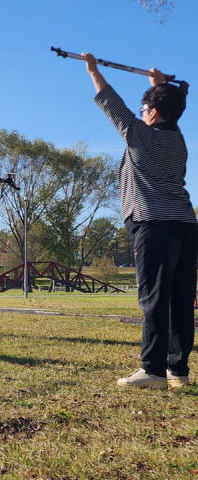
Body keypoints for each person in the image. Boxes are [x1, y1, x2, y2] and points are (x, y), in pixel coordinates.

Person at [82, 53, 198, 389]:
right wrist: (161, 87)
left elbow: (111, 102)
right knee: (179, 297)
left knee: (154, 297)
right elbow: (173, 110)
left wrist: (93, 70)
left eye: (145, 108)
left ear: (153, 112)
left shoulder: (140, 136)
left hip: (153, 223)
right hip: (186, 225)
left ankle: (152, 370)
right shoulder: (178, 139)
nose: (141, 112)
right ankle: (179, 370)